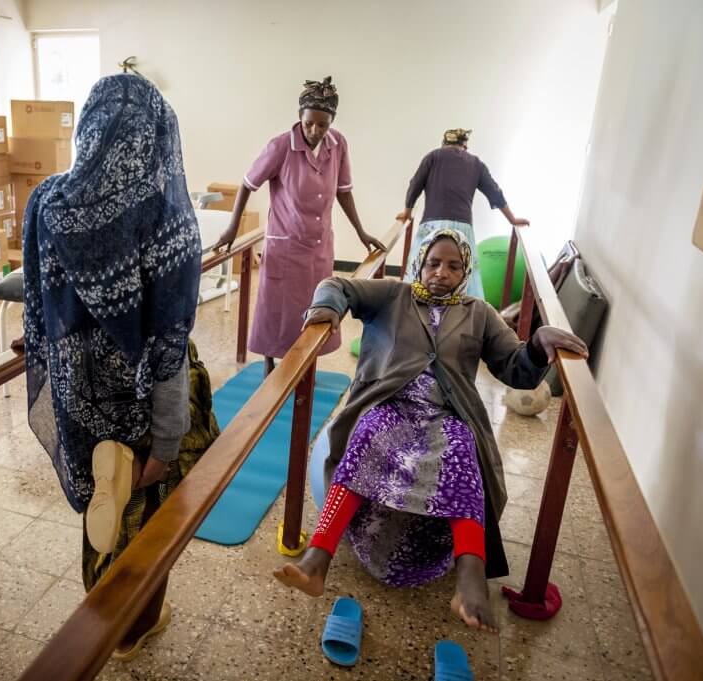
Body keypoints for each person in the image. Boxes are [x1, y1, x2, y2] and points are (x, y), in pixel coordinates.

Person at [273, 229, 588, 632]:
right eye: (433, 263)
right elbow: (337, 284)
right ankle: (318, 558)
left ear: (465, 271)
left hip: (446, 414)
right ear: (420, 264)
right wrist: (329, 310)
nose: (442, 272)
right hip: (390, 403)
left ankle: (471, 577)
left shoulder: (479, 312)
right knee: (369, 431)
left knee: (461, 449)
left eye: (454, 266)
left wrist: (538, 343)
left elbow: (514, 367)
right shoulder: (394, 296)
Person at [20, 74, 220, 660]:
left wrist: (46, 348)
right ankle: (133, 627)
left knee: (101, 505)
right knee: (147, 514)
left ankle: (104, 614)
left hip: (78, 396)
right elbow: (165, 349)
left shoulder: (48, 199)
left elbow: (39, 297)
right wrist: (166, 440)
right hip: (140, 404)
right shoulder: (166, 215)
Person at [213, 77, 385, 377]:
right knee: (276, 308)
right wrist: (231, 229)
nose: (315, 131)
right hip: (286, 242)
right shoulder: (281, 146)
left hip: (319, 244)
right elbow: (247, 184)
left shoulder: (338, 144)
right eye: (309, 124)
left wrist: (362, 232)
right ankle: (269, 363)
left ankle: (306, 361)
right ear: (299, 117)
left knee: (317, 304)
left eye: (323, 125)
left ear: (331, 122)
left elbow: (344, 190)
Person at [396, 128, 529, 300]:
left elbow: (415, 185)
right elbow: (494, 191)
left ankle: (412, 303)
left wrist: (407, 211)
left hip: (431, 225)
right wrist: (512, 218)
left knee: (423, 264)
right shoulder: (475, 163)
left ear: (444, 143)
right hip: (462, 227)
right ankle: (463, 309)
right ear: (465, 145)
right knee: (462, 270)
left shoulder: (433, 156)